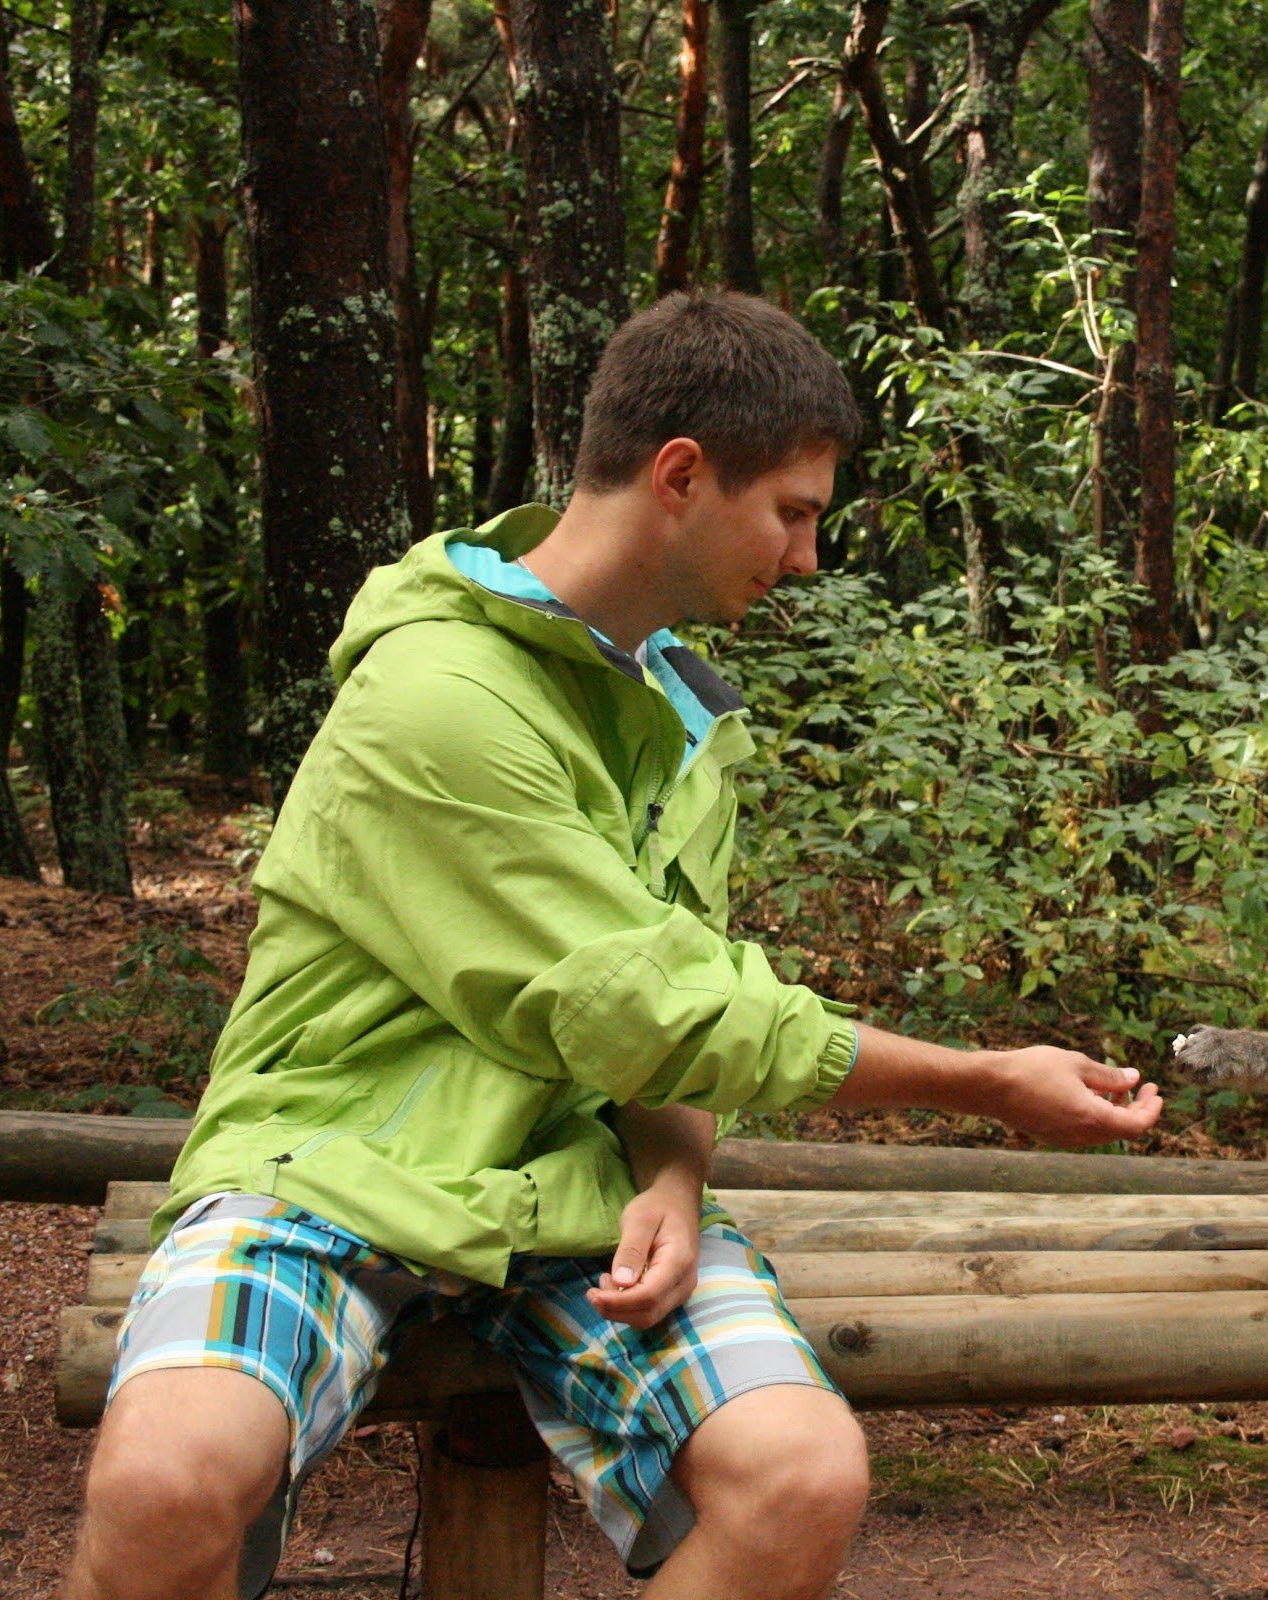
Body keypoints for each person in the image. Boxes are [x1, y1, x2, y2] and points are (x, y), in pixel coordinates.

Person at [59, 292, 1165, 1600]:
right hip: (336, 1159)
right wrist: (983, 1081)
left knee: (801, 1477)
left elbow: (668, 1016)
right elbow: (656, 1004)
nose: (807, 557)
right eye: (795, 512)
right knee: (165, 1484)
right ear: (682, 477)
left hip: (570, 1190)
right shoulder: (437, 694)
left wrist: (673, 1177)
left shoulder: (687, 721)